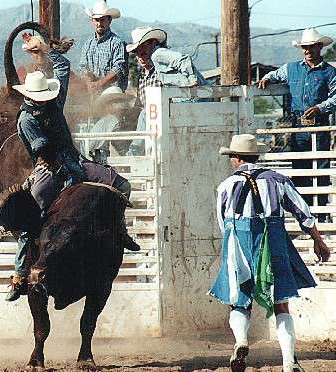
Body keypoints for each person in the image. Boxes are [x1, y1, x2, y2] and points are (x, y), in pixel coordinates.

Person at [5, 36, 139, 302]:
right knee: (31, 219)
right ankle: (20, 274)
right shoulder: (27, 119)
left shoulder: (52, 102)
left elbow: (63, 71)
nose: (45, 100)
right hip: (48, 169)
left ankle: (120, 230)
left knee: (121, 185)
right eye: (40, 97)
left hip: (74, 161)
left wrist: (47, 53)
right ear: (31, 97)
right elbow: (42, 150)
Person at [209, 134, 331, 372]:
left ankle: (241, 341)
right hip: (273, 238)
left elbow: (224, 225)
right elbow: (303, 213)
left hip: (238, 240)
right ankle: (288, 362)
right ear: (256, 156)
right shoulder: (278, 180)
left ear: (235, 159)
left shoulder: (225, 186)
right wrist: (319, 241)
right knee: (281, 304)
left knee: (238, 302)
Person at [257, 28, 336, 221]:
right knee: (300, 169)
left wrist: (320, 107)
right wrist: (267, 78)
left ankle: (321, 214)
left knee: (321, 169)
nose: (307, 50)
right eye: (304, 47)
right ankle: (305, 215)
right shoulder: (291, 68)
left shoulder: (330, 72)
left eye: (311, 47)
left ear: (319, 47)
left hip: (319, 125)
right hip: (298, 125)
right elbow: (275, 74)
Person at [125, 27, 207, 156]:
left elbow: (183, 59)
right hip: (178, 105)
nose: (140, 54)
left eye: (142, 48)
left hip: (189, 100)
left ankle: (134, 152)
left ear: (152, 43)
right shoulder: (143, 75)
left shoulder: (158, 54)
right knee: (146, 112)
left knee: (146, 112)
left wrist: (192, 81)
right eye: (137, 51)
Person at [78, 0, 128, 93]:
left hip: (112, 94)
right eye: (97, 20)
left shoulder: (117, 43)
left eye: (102, 20)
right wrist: (89, 82)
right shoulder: (88, 44)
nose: (99, 23)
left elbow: (119, 68)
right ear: (92, 21)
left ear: (109, 21)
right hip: (94, 92)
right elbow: (82, 67)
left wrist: (99, 84)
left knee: (114, 91)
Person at [84, 86, 138, 158]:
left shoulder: (123, 120)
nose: (121, 105)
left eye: (120, 101)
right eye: (116, 102)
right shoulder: (106, 121)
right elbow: (89, 146)